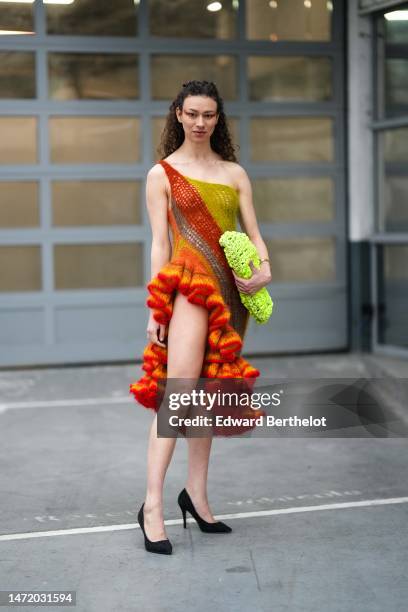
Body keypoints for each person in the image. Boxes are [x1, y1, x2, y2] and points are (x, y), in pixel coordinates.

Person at [129, 80, 272, 555]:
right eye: (191, 113)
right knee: (180, 392)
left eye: (208, 115)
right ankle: (152, 506)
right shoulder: (161, 174)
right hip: (189, 289)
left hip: (231, 291)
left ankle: (197, 496)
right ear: (176, 113)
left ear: (218, 119)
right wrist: (158, 308)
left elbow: (253, 234)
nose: (198, 122)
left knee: (210, 391)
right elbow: (160, 245)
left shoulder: (235, 173)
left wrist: (264, 271)